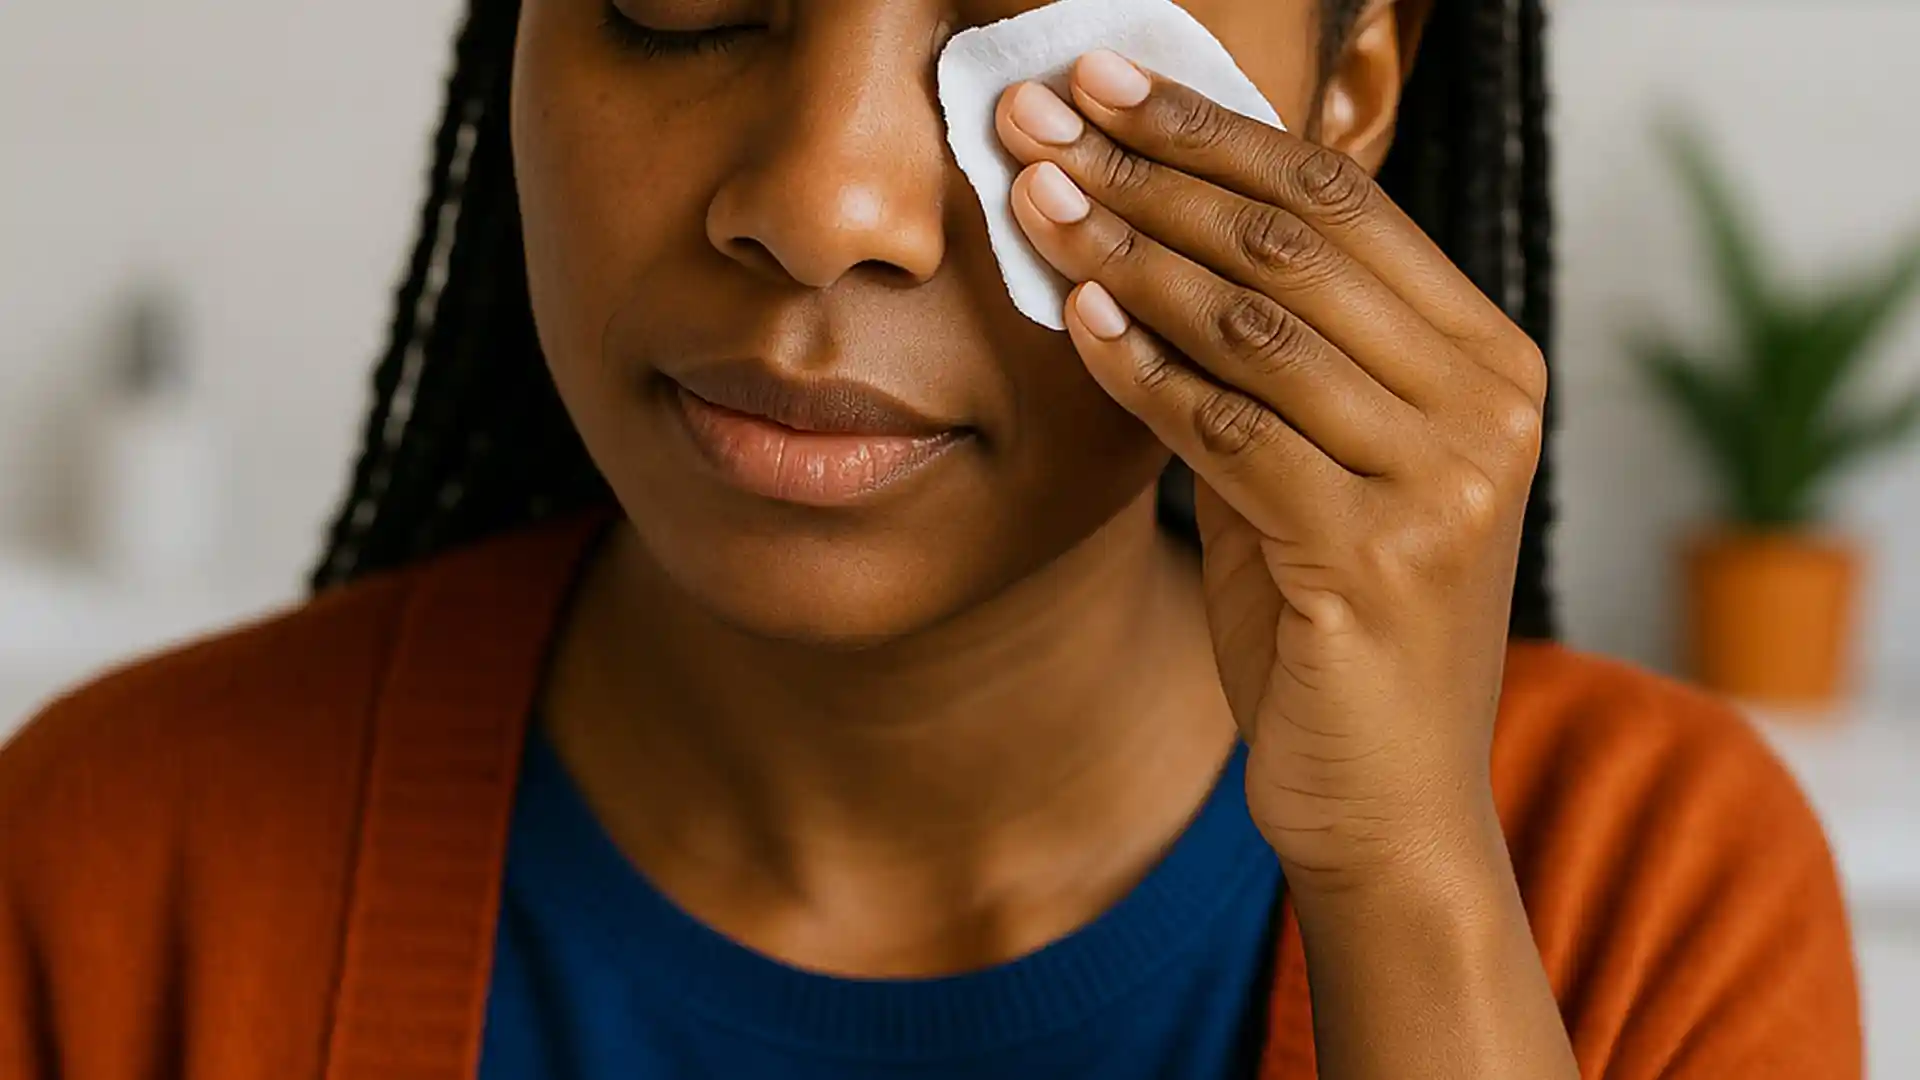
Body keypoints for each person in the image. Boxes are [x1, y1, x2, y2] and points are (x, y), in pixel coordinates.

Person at [0, 0, 1861, 1077]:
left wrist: (1405, 889)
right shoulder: (118, 876)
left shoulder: (1642, 897)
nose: (828, 202)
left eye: (1036, 13)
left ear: (1344, 102)